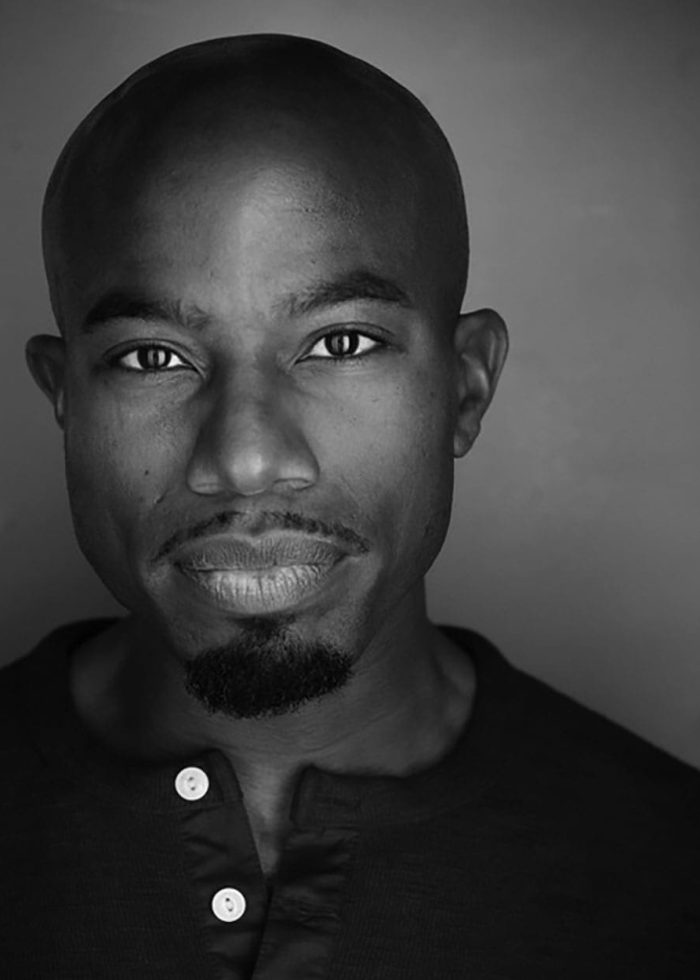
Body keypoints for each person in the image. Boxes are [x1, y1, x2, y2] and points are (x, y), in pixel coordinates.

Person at [1, 33, 698, 979]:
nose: (247, 459)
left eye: (341, 343)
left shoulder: (668, 874)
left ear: (465, 388)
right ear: (64, 401)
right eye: (151, 357)